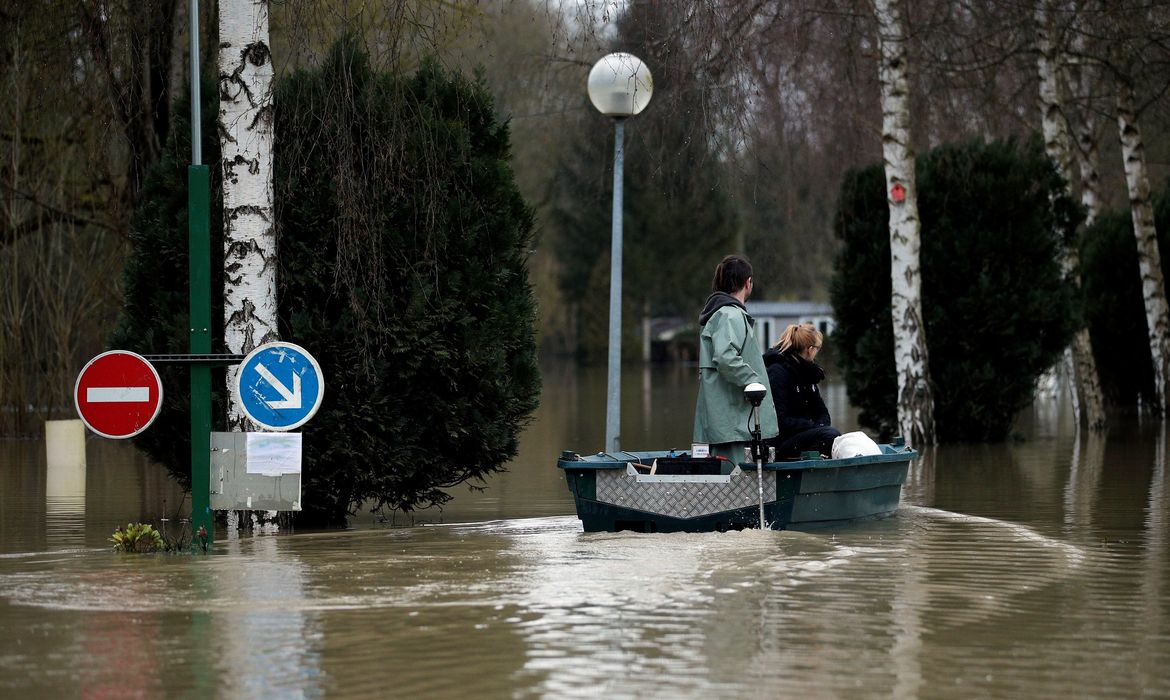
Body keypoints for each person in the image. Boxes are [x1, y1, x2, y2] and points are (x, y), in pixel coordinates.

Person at [693, 255, 778, 462]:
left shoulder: (719, 313)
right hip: (732, 423)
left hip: (726, 421)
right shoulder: (730, 315)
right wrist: (754, 382)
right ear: (748, 282)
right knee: (734, 479)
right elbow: (725, 357)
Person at [764, 323, 841, 458]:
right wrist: (813, 426)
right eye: (817, 349)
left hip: (801, 433)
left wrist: (819, 425)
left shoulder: (807, 374)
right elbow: (780, 420)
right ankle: (806, 471)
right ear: (810, 350)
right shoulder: (777, 372)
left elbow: (822, 412)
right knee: (829, 435)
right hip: (780, 441)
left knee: (834, 436)